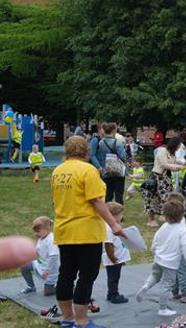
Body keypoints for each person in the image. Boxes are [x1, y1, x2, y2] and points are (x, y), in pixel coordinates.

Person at [52, 136, 124, 328]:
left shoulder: (57, 171)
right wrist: (114, 224)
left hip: (64, 229)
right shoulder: (88, 170)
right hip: (86, 231)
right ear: (86, 151)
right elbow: (96, 201)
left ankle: (67, 318)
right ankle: (82, 321)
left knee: (66, 273)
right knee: (86, 275)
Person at [135, 201, 186, 317]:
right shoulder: (181, 230)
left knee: (155, 276)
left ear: (165, 215)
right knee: (167, 285)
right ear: (183, 215)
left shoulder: (164, 226)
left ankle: (146, 286)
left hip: (158, 259)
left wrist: (154, 250)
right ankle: (162, 308)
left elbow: (156, 240)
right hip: (170, 263)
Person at [143, 137, 185, 227]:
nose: (178, 149)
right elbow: (164, 164)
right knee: (152, 198)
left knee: (166, 197)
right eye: (178, 146)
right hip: (156, 177)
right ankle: (151, 219)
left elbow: (174, 161)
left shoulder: (172, 153)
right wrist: (178, 167)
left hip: (166, 179)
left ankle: (163, 214)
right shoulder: (162, 151)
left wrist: (184, 162)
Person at [19, 216, 59, 296]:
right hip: (41, 264)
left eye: (38, 231)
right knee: (24, 266)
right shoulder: (42, 237)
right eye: (35, 231)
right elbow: (39, 250)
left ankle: (65, 287)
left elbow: (54, 257)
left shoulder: (51, 239)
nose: (36, 233)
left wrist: (47, 271)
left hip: (52, 269)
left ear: (46, 229)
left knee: (48, 292)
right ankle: (31, 287)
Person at [102, 202, 130, 304]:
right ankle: (113, 295)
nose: (122, 216)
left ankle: (111, 294)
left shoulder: (113, 226)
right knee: (113, 278)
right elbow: (108, 244)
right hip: (113, 258)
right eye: (121, 214)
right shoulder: (108, 228)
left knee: (115, 276)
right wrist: (112, 257)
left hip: (117, 257)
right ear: (113, 215)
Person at [95, 123, 128, 204]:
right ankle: (119, 214)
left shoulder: (100, 143)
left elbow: (98, 156)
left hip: (106, 171)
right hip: (118, 171)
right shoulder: (118, 142)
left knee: (107, 195)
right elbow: (123, 156)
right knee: (118, 194)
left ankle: (106, 213)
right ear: (114, 131)